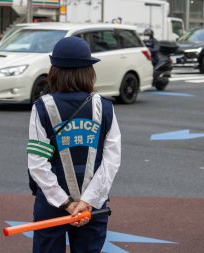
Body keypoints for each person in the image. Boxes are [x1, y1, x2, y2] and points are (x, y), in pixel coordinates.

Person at [27, 36, 121, 253]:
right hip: (93, 205)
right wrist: (87, 201)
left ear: (55, 71)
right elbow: (111, 160)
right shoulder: (104, 107)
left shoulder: (42, 107)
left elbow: (37, 164)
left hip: (51, 204)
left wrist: (66, 203)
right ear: (89, 71)